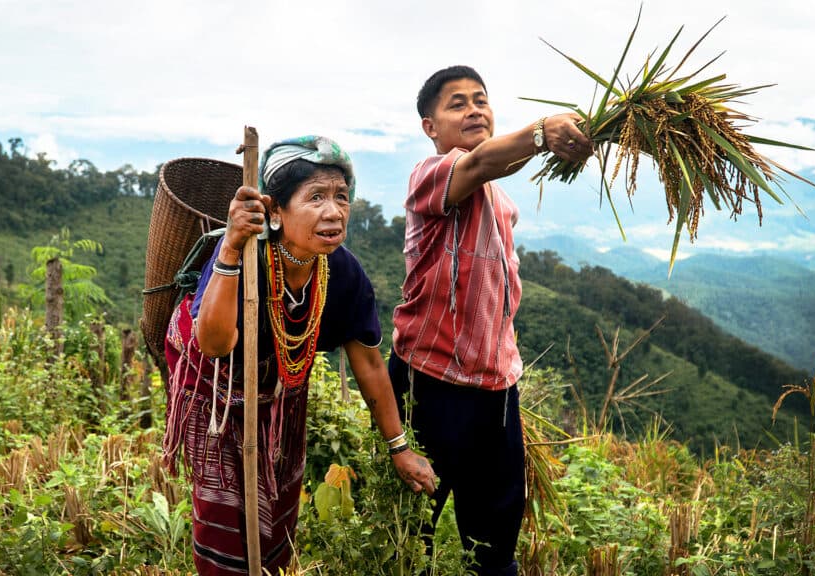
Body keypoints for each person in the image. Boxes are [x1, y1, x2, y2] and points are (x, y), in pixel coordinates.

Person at [163, 135, 437, 576]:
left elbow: (368, 362)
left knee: (278, 498)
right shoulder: (246, 256)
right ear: (275, 212)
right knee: (226, 513)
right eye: (315, 198)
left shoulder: (343, 274)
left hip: (280, 388)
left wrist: (398, 448)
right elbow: (213, 345)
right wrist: (231, 248)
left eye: (341, 197)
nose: (333, 212)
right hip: (212, 381)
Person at [389, 65, 594, 576]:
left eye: (481, 99)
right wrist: (544, 132)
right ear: (429, 127)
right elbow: (480, 162)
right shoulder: (430, 175)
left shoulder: (501, 204)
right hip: (429, 386)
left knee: (494, 543)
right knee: (411, 537)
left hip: (497, 395)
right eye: (456, 103)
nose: (474, 109)